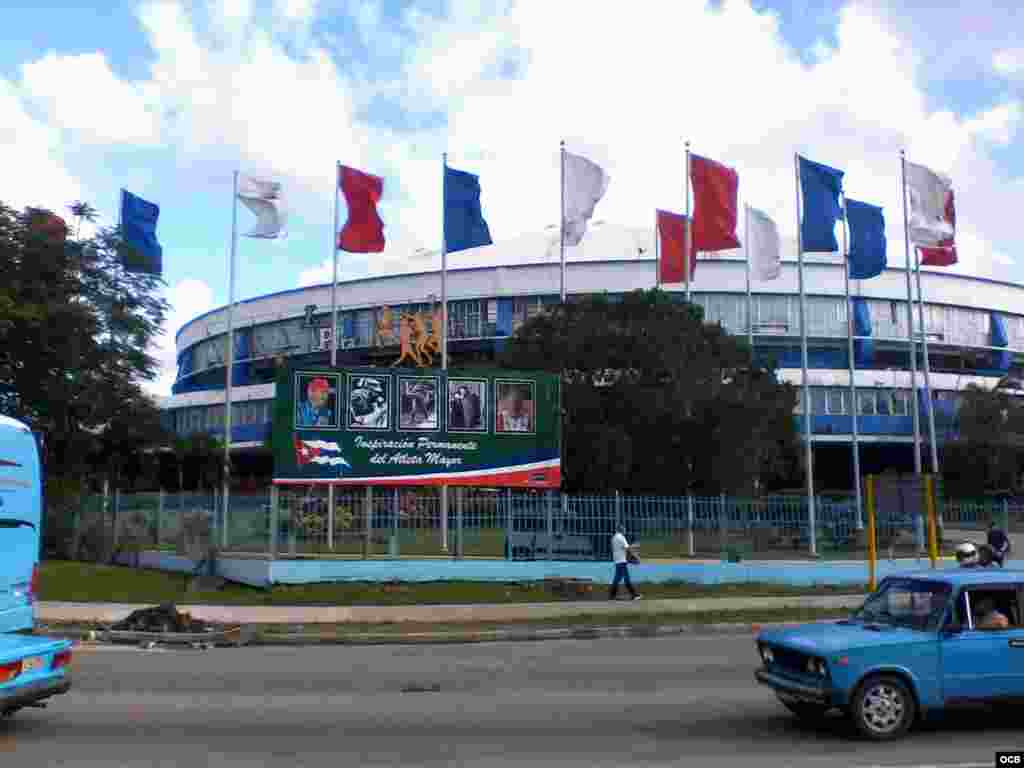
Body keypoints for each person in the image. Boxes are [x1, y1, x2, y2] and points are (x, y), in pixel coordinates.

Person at [609, 524, 641, 601]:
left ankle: (613, 596)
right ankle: (634, 595)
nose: (625, 531)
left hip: (618, 560)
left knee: (621, 579)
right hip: (621, 561)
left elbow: (622, 548)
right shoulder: (621, 537)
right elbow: (628, 549)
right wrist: (635, 547)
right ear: (621, 530)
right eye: (624, 529)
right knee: (622, 579)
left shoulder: (614, 537)